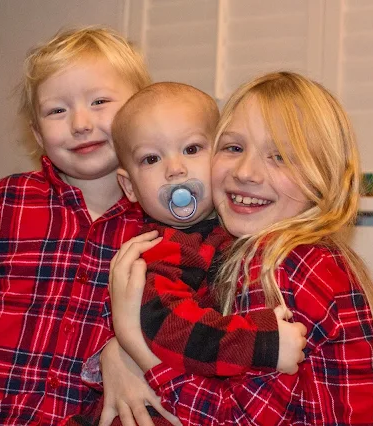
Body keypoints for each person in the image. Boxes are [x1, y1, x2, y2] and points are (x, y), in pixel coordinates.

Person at [108, 72, 373, 425]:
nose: (246, 172)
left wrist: (135, 344)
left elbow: (235, 419)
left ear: (325, 179)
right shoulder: (276, 252)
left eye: (281, 157)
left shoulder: (279, 266)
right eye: (234, 148)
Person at [0, 26, 175, 426]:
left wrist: (126, 353)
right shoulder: (6, 201)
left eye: (100, 101)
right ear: (36, 133)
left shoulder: (161, 228)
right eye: (57, 110)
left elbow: (178, 321)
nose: (80, 123)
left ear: (140, 113)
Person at [65, 82, 307, 426]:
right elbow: (169, 326)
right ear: (130, 186)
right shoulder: (162, 247)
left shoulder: (228, 231)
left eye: (192, 149)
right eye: (151, 158)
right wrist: (262, 343)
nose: (175, 169)